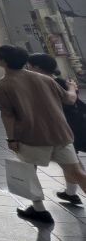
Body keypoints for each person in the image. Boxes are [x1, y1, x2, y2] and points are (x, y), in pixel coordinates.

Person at [0, 45, 86, 223]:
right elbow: (68, 99)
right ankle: (64, 197)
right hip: (61, 133)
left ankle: (39, 210)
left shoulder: (2, 85)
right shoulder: (44, 79)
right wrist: (72, 88)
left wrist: (11, 138)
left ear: (3, 61)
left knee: (29, 172)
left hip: (31, 136)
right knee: (77, 172)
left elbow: (8, 115)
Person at [27, 53, 86, 204]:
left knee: (74, 166)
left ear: (37, 68)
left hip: (67, 126)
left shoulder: (49, 83)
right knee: (73, 163)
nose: (27, 68)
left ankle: (70, 193)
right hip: (71, 124)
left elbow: (70, 100)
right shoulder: (59, 81)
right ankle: (70, 193)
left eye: (30, 66)